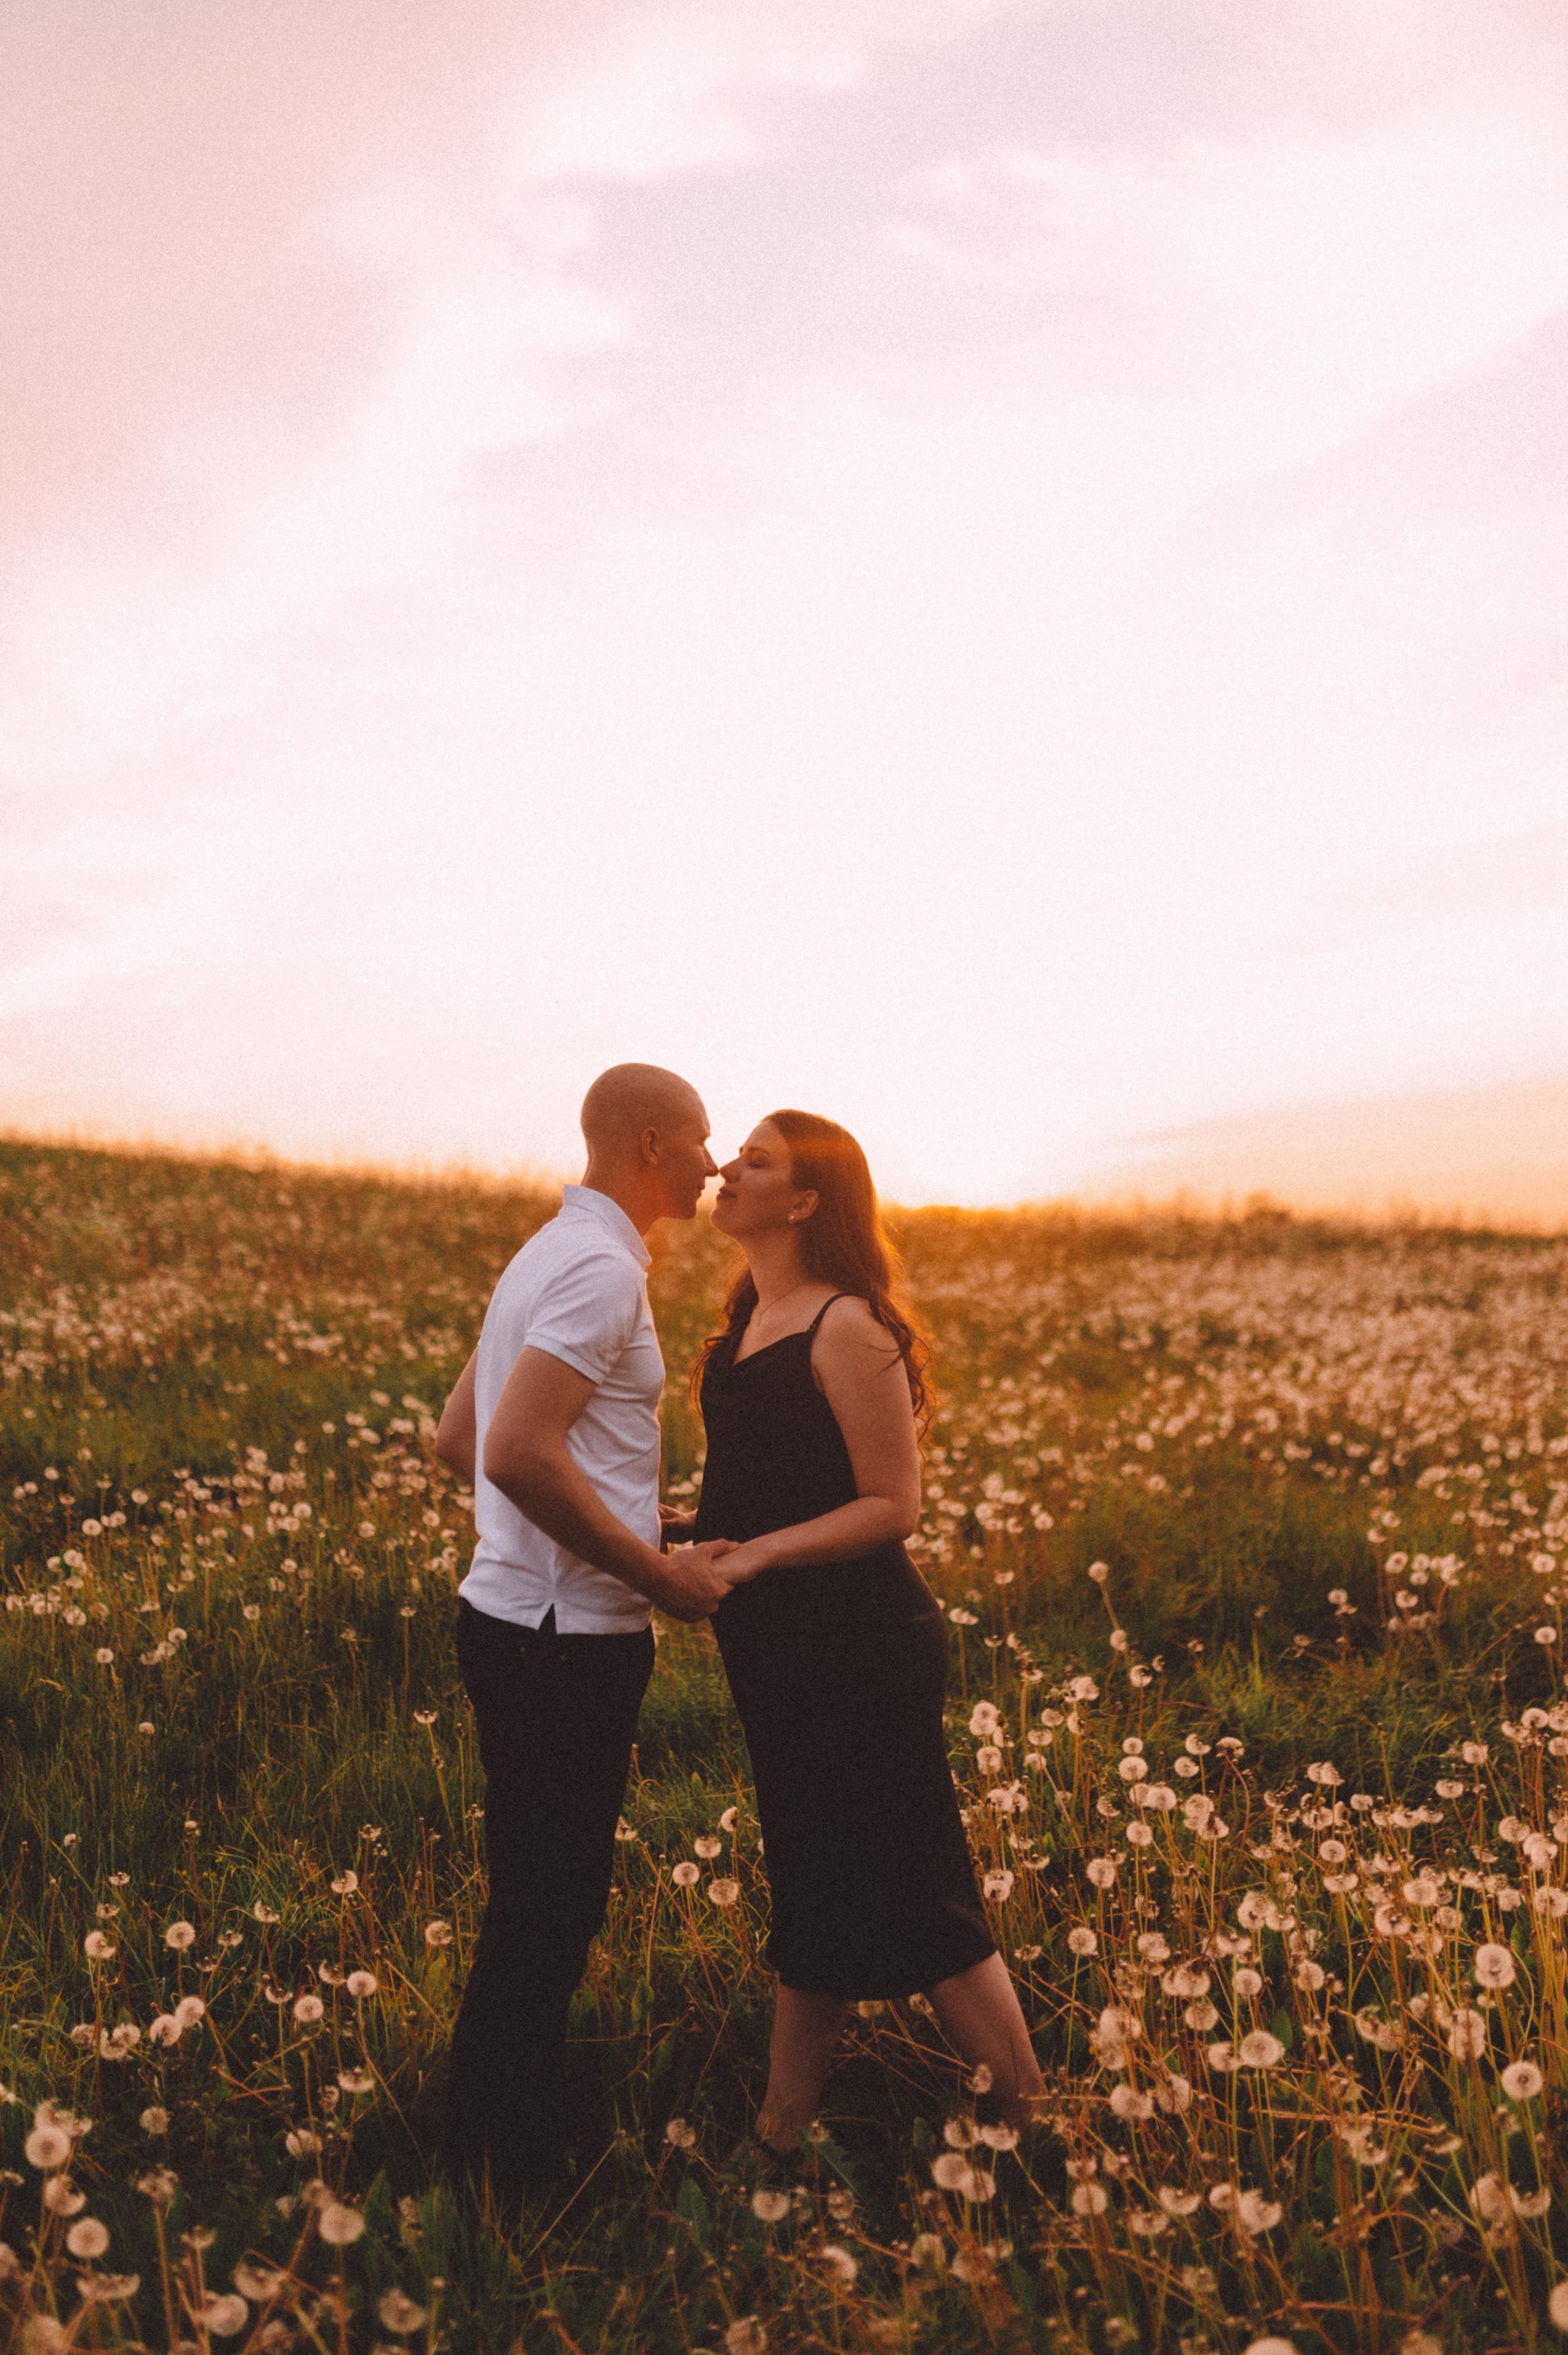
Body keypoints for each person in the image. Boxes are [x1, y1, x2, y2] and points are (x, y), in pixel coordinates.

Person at [682, 1109, 1042, 2154]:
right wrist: (681, 1532)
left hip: (860, 1645)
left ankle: (1037, 2129)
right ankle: (781, 2135)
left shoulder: (846, 1324)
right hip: (775, 1648)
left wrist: (754, 1556)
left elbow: (893, 1505)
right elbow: (764, 1491)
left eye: (756, 1162)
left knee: (916, 1885)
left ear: (806, 1202)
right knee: (815, 1886)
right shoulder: (745, 1321)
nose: (726, 1169)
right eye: (735, 1155)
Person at [432, 1064, 735, 2203]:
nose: (713, 1163)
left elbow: (457, 1438)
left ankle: (485, 2140)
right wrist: (654, 1573)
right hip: (564, 1639)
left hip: (512, 1612)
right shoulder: (602, 1269)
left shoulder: (545, 1252)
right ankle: (504, 2175)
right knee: (550, 1912)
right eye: (701, 1139)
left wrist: (620, 1515)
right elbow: (510, 1450)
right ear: (652, 1142)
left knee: (534, 1898)